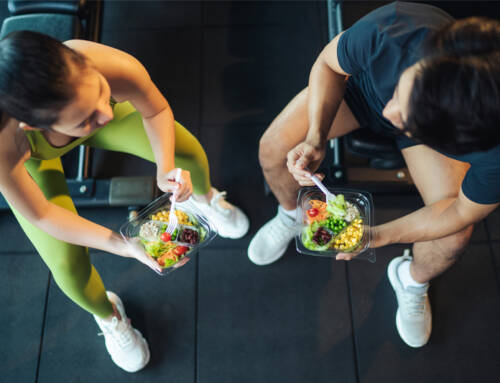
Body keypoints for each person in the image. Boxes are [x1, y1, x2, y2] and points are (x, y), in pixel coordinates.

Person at [248, 1, 500, 348]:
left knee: (454, 238)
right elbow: (328, 65)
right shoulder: (396, 29)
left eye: (405, 114)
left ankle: (410, 278)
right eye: (402, 91)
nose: (389, 110)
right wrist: (316, 136)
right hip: (360, 93)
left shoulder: (492, 149)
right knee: (273, 147)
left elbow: (460, 210)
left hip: (430, 140)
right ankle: (291, 214)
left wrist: (377, 236)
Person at [0, 30, 249, 372]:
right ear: (31, 125)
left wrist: (165, 171)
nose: (104, 113)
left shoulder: (109, 67)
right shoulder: (4, 143)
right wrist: (124, 245)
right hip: (34, 159)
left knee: (186, 151)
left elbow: (156, 109)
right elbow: (42, 215)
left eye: (102, 93)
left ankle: (205, 199)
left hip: (72, 115)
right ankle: (109, 315)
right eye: (85, 118)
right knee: (68, 266)